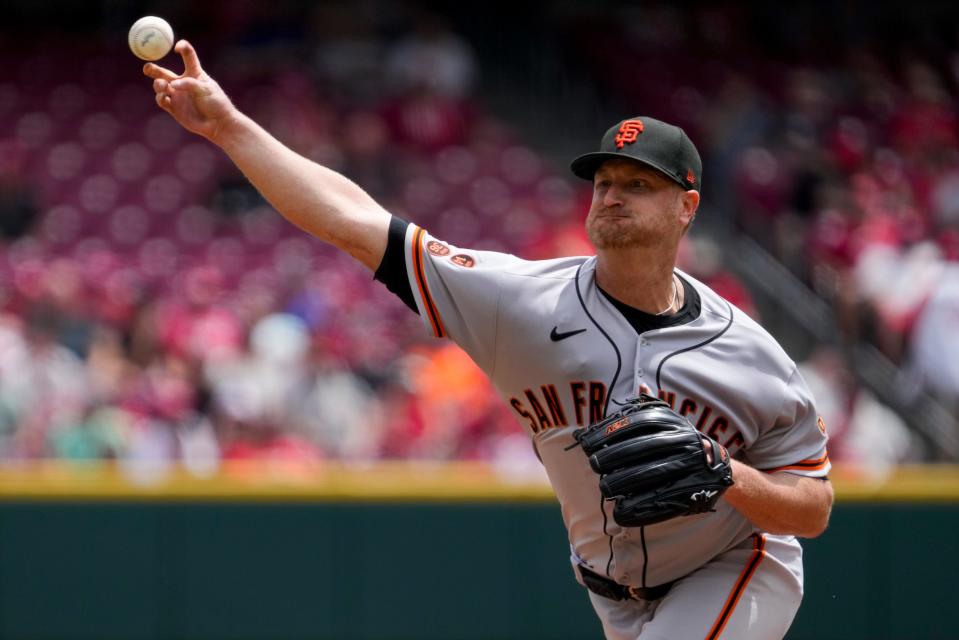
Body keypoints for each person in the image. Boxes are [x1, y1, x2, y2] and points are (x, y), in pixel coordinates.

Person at [144, 41, 833, 639]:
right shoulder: (518, 301)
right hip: (609, 589)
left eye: (637, 184)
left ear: (686, 207)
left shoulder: (749, 353)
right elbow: (354, 221)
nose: (611, 194)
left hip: (735, 565)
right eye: (603, 181)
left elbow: (811, 507)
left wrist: (726, 474)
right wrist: (232, 129)